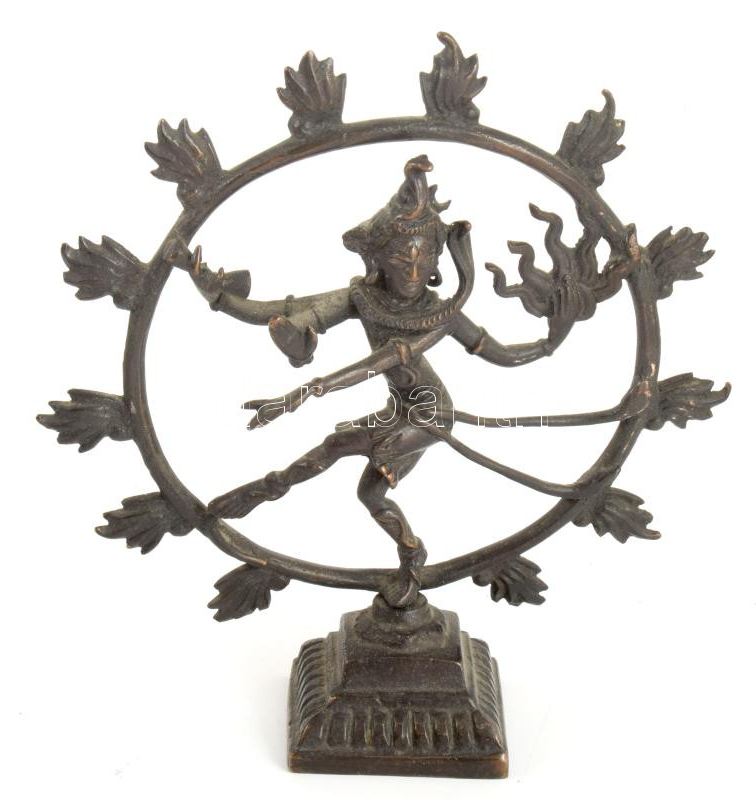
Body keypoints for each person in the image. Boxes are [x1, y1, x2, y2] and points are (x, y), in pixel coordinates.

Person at [189, 155, 578, 607]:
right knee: (365, 488)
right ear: (377, 259)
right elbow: (282, 310)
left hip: (432, 414)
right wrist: (222, 300)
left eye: (423, 260)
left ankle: (266, 492)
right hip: (401, 410)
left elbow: (491, 353)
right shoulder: (363, 299)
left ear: (436, 262)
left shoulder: (442, 313)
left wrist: (548, 344)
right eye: (399, 260)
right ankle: (409, 552)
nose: (412, 274)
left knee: (342, 453)